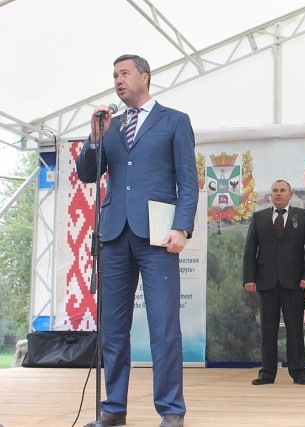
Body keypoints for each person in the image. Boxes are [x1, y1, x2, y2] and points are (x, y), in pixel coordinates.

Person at [76, 54, 198, 427]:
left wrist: (182, 227)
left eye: (125, 73)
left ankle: (171, 410)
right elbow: (87, 174)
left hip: (158, 236)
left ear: (145, 77)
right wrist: (95, 137)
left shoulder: (174, 120)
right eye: (114, 74)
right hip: (114, 236)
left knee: (164, 327)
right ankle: (113, 408)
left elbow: (188, 180)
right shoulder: (109, 126)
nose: (118, 79)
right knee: (113, 329)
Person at [243, 180, 305, 385]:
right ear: (271, 195)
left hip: (295, 282)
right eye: (275, 190)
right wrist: (249, 278)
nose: (278, 194)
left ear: (290, 195)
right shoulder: (259, 217)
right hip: (266, 282)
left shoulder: (303, 216)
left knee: (295, 329)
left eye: (282, 190)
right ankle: (267, 373)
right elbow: (250, 251)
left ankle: (299, 373)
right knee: (268, 330)